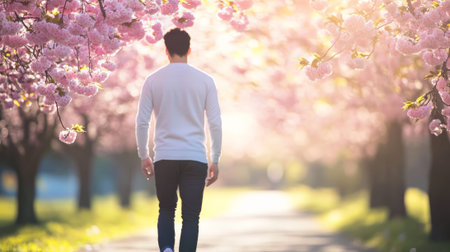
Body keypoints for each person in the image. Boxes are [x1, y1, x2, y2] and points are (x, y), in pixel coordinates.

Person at [135, 28, 222, 252]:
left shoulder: (153, 80)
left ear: (166, 51)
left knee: (166, 209)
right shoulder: (206, 81)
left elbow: (142, 121)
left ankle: (166, 248)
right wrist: (215, 158)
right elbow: (215, 123)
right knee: (191, 217)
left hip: (165, 156)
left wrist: (144, 155)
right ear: (189, 50)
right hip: (195, 157)